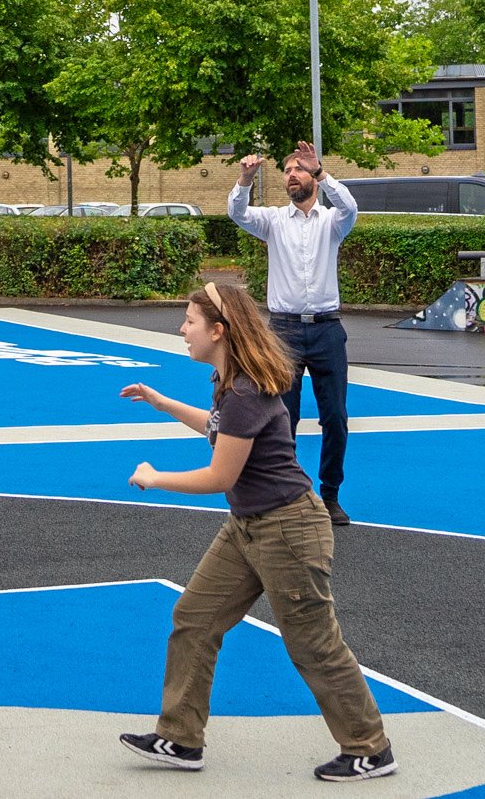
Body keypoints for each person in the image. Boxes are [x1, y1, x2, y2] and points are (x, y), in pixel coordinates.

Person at [117, 281, 395, 783]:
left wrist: (155, 478)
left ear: (219, 331)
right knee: (195, 617)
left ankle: (369, 748)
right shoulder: (233, 383)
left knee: (313, 642)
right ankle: (180, 738)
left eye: (191, 322)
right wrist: (166, 404)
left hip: (287, 529)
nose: (182, 330)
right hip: (249, 526)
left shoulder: (245, 389)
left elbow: (220, 476)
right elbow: (220, 430)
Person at [226, 140, 359, 525]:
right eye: (287, 171)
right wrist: (245, 179)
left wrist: (321, 169)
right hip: (282, 331)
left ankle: (330, 494)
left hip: (327, 331)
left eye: (299, 170)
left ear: (312, 177)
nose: (292, 176)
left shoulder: (333, 222)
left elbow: (350, 206)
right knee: (285, 416)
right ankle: (291, 492)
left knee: (335, 416)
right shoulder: (272, 221)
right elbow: (237, 213)